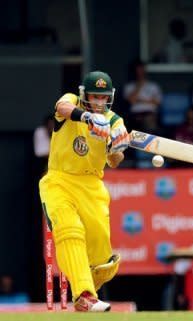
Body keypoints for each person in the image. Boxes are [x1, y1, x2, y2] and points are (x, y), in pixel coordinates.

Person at [39, 70, 130, 312]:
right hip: (59, 181)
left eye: (103, 98)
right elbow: (62, 106)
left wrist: (116, 146)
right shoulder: (72, 103)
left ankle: (90, 282)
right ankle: (84, 295)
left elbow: (114, 160)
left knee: (102, 257)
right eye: (94, 96)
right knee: (70, 232)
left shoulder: (115, 121)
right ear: (84, 94)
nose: (99, 102)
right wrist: (87, 117)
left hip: (92, 187)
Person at [123, 59, 163, 132]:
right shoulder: (129, 87)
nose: (140, 73)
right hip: (135, 115)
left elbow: (157, 102)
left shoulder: (153, 86)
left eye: (141, 70)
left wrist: (139, 100)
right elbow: (131, 101)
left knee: (149, 121)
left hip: (150, 114)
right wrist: (139, 86)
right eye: (138, 70)